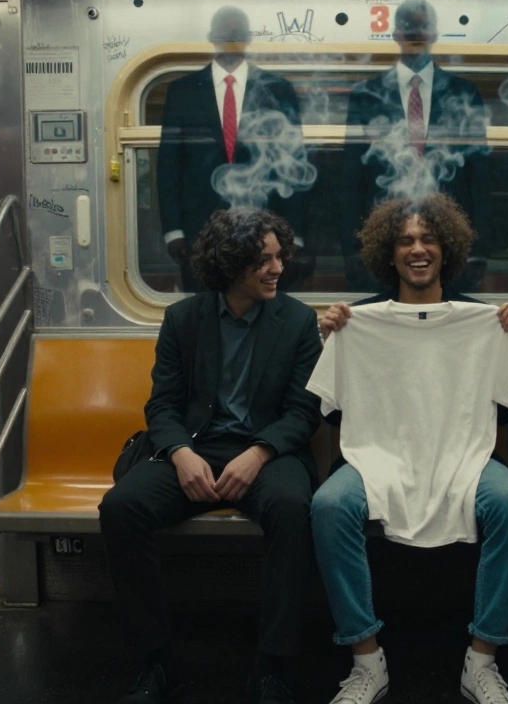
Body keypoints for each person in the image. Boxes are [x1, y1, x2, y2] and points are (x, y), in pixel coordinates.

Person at [311, 194, 508, 704]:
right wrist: (331, 340)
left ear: (446, 248)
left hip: (464, 458)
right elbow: (333, 412)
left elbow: (504, 413)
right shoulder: (357, 320)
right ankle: (366, 661)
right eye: (405, 240)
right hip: (377, 458)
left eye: (428, 239)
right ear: (388, 254)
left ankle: (483, 660)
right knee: (329, 507)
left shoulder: (484, 320)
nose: (417, 249)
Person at [99, 208, 322, 704]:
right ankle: (156, 662)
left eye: (280, 256)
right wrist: (180, 452)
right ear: (231, 264)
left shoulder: (298, 322)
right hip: (196, 446)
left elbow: (303, 411)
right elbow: (162, 404)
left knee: (292, 508)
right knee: (121, 508)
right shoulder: (184, 320)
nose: (278, 268)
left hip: (266, 449)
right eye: (263, 260)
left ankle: (274, 667)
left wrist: (259, 452)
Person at [339, 0, 492, 292]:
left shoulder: (464, 92)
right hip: (383, 237)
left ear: (435, 34)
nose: (415, 32)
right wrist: (351, 246)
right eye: (408, 25)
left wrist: (480, 248)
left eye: (423, 26)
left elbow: (480, 178)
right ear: (395, 34)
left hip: (451, 238)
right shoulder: (366, 94)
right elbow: (351, 177)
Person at [157, 6, 312, 292]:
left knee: (264, 305)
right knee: (205, 307)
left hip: (267, 229)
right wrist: (173, 230)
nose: (230, 39)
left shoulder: (277, 89)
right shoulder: (183, 91)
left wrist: (296, 234)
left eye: (237, 33)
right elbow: (169, 166)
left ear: (248, 38)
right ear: (211, 37)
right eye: (224, 33)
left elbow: (293, 164)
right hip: (199, 229)